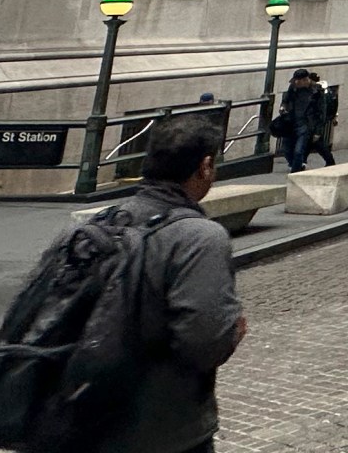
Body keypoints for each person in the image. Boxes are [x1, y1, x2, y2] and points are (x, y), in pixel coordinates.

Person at [81, 117, 247, 452]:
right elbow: (205, 341)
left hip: (82, 414)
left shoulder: (94, 225)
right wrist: (232, 331)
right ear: (205, 166)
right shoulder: (199, 237)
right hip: (163, 427)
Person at [279, 68, 333, 173]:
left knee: (299, 150)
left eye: (299, 81)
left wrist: (317, 131)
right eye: (295, 81)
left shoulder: (317, 91)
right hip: (292, 122)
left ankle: (295, 172)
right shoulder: (294, 87)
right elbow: (286, 99)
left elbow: (322, 112)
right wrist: (283, 107)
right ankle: (297, 165)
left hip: (307, 124)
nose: (296, 83)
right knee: (286, 147)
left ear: (305, 80)